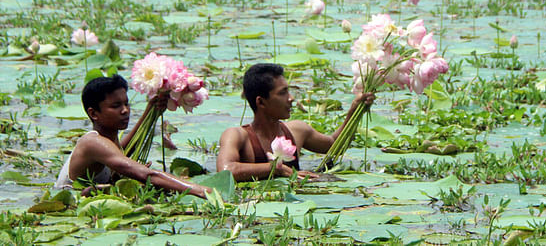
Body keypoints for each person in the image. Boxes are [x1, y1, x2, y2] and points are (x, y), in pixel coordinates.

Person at [55, 74, 210, 198]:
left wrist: (151, 110)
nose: (125, 111)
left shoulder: (108, 138)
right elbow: (146, 174)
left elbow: (123, 150)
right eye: (116, 106)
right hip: (70, 204)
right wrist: (199, 190)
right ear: (93, 113)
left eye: (126, 104)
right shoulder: (93, 142)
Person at [217, 63, 374, 182]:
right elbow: (225, 171)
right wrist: (276, 169)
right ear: (261, 102)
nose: (291, 98)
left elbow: (334, 145)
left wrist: (355, 110)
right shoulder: (237, 136)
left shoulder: (297, 130)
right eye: (283, 93)